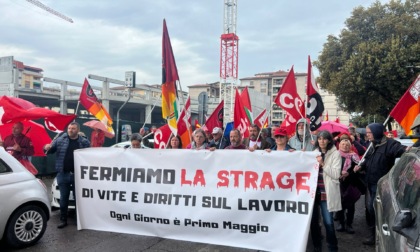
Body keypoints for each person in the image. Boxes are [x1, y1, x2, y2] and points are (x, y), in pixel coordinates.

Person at [354, 123, 408, 245]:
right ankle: (372, 233)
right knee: (369, 209)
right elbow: (367, 160)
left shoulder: (390, 144)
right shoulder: (371, 145)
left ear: (377, 132)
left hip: (381, 185)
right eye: (367, 133)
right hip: (369, 182)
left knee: (376, 210)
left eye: (369, 132)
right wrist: (361, 166)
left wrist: (407, 149)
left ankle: (378, 236)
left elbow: (402, 151)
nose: (367, 135)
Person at [44, 122, 90, 229]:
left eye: (73, 128)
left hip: (78, 175)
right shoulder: (60, 140)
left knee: (78, 198)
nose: (70, 130)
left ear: (78, 130)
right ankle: (63, 220)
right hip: (63, 174)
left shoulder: (84, 142)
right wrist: (46, 147)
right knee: (63, 197)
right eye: (69, 128)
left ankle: (79, 220)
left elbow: (89, 155)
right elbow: (49, 151)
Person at [311, 130, 342, 252]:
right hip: (313, 194)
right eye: (319, 139)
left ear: (329, 140)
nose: (321, 141)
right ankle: (317, 246)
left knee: (328, 223)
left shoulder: (335, 154)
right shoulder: (313, 153)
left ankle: (332, 247)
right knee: (313, 223)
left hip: (326, 193)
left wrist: (323, 164)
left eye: (324, 139)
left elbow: (335, 174)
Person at [335, 139, 362, 234]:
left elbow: (357, 171)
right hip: (337, 183)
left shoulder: (354, 156)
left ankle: (349, 224)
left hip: (350, 183)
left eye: (347, 145)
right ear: (339, 145)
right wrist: (339, 172)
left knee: (351, 205)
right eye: (343, 144)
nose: (345, 146)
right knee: (339, 205)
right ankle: (341, 223)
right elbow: (330, 168)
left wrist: (350, 173)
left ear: (350, 146)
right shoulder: (335, 155)